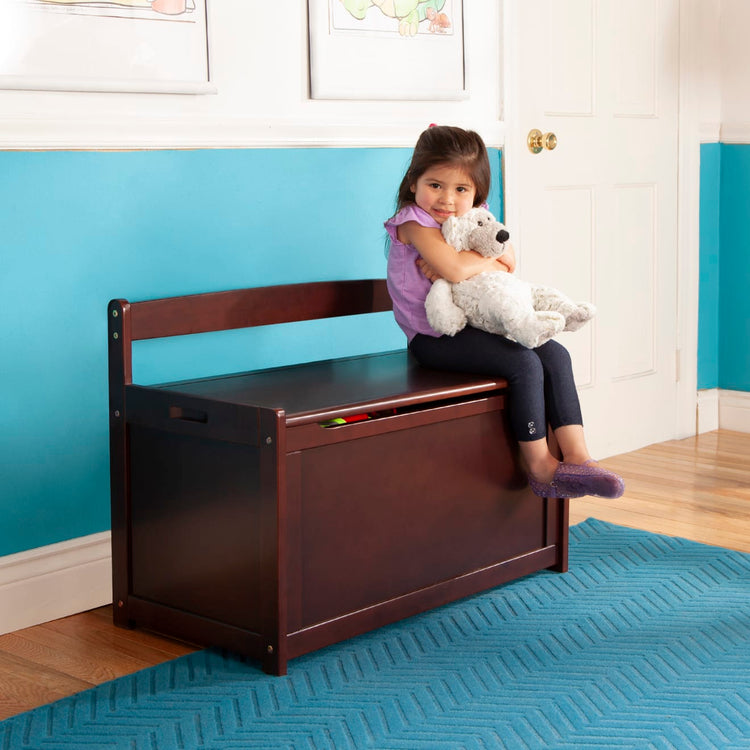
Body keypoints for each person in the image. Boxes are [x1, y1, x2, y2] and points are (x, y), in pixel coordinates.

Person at [384, 125, 624, 499]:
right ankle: (541, 467)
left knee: (556, 355)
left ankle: (579, 457)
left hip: (479, 329)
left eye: (461, 189)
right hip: (434, 338)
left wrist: (468, 262)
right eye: (435, 185)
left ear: (477, 192)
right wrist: (477, 262)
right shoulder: (414, 222)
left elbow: (509, 259)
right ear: (414, 181)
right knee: (524, 364)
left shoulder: (478, 215)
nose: (447, 199)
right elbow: (459, 270)